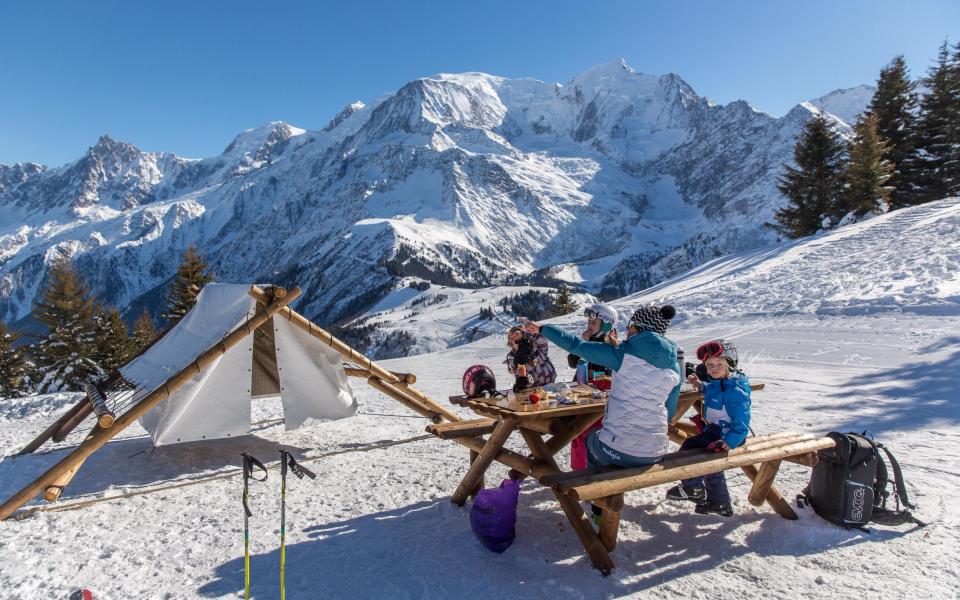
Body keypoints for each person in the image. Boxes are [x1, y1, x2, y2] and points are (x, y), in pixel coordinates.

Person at [522, 303, 681, 469]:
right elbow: (669, 414)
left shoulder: (622, 354)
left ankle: (594, 488)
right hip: (656, 452)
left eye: (630, 325)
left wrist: (542, 329)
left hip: (621, 450)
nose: (627, 330)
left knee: (590, 438)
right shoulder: (675, 366)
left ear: (640, 328)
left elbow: (577, 345)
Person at [665, 339, 751, 517]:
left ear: (730, 364)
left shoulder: (735, 391)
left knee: (689, 447)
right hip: (716, 431)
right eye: (710, 365)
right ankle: (720, 504)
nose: (713, 368)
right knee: (712, 465)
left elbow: (742, 421)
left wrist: (730, 440)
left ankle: (693, 487)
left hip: (727, 435)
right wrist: (700, 384)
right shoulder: (718, 383)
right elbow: (713, 388)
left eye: (719, 364)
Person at [568, 303, 619, 470]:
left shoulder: (612, 345)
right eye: (589, 322)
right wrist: (582, 344)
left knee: (591, 433)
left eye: (594, 323)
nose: (589, 326)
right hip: (583, 394)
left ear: (606, 324)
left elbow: (609, 373)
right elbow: (572, 362)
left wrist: (596, 376)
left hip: (602, 401)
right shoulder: (589, 340)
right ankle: (578, 470)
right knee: (576, 432)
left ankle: (593, 471)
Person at [505, 325, 556, 392]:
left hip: (551, 385)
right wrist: (524, 379)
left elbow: (543, 341)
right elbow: (522, 375)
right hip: (534, 391)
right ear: (510, 342)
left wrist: (527, 334)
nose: (516, 339)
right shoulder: (513, 358)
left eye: (519, 337)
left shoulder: (536, 347)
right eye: (512, 338)